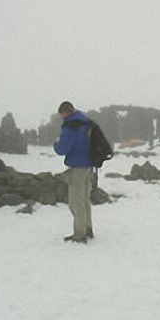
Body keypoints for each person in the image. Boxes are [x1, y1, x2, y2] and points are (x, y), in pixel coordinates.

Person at [54, 101, 94, 243]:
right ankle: (88, 228)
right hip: (88, 164)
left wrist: (56, 144)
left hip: (78, 166)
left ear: (65, 112)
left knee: (76, 202)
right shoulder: (85, 121)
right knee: (84, 199)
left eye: (61, 114)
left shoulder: (71, 126)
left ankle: (80, 234)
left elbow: (61, 149)